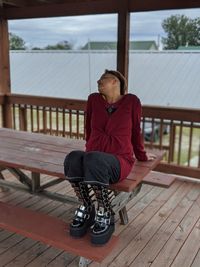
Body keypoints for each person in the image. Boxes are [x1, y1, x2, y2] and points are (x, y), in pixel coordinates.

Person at [64, 69, 155, 245]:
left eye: (103, 79)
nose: (98, 81)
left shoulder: (132, 101)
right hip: (95, 159)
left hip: (119, 161)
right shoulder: (93, 99)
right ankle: (86, 205)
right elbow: (88, 128)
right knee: (74, 157)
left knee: (94, 159)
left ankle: (105, 211)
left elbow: (136, 131)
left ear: (115, 81)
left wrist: (142, 155)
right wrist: (87, 151)